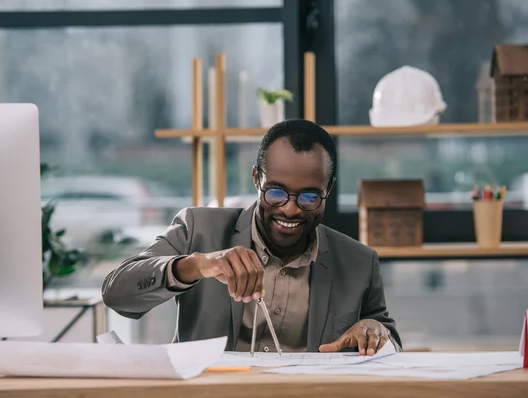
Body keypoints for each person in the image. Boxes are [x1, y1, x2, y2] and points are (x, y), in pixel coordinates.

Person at [102, 119, 402, 355]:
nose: (290, 209)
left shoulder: (359, 262)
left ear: (329, 190)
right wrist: (196, 266)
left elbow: (391, 342)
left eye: (310, 197)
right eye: (275, 192)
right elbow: (117, 293)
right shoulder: (199, 229)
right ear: (257, 178)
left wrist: (374, 331)